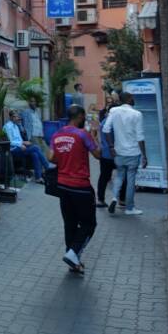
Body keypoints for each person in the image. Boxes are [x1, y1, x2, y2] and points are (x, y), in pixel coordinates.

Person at [49, 104, 101, 273]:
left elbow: (51, 158)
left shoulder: (56, 135)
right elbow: (98, 154)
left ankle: (73, 259)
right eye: (83, 117)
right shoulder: (82, 134)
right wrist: (94, 134)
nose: (84, 120)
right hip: (80, 186)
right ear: (79, 117)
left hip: (62, 185)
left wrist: (65, 160)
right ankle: (73, 253)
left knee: (70, 223)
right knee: (89, 224)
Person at [103, 91, 148, 216]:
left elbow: (106, 129)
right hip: (133, 152)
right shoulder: (137, 114)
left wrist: (111, 146)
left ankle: (114, 198)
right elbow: (140, 137)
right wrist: (144, 155)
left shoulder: (114, 111)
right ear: (128, 99)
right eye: (132, 97)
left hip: (118, 151)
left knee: (119, 176)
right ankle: (129, 207)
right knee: (130, 180)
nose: (133, 99)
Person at [93, 96, 126, 208]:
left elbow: (98, 135)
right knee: (123, 176)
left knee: (104, 177)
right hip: (118, 154)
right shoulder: (120, 123)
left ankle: (101, 200)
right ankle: (122, 199)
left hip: (105, 155)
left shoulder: (103, 122)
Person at [3, 111, 50, 184]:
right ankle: (48, 168)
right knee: (36, 148)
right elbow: (10, 141)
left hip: (20, 147)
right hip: (13, 150)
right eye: (15, 117)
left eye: (18, 117)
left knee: (35, 154)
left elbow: (19, 139)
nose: (17, 118)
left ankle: (38, 177)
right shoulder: (8, 126)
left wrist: (24, 144)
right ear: (11, 117)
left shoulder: (16, 126)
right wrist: (22, 143)